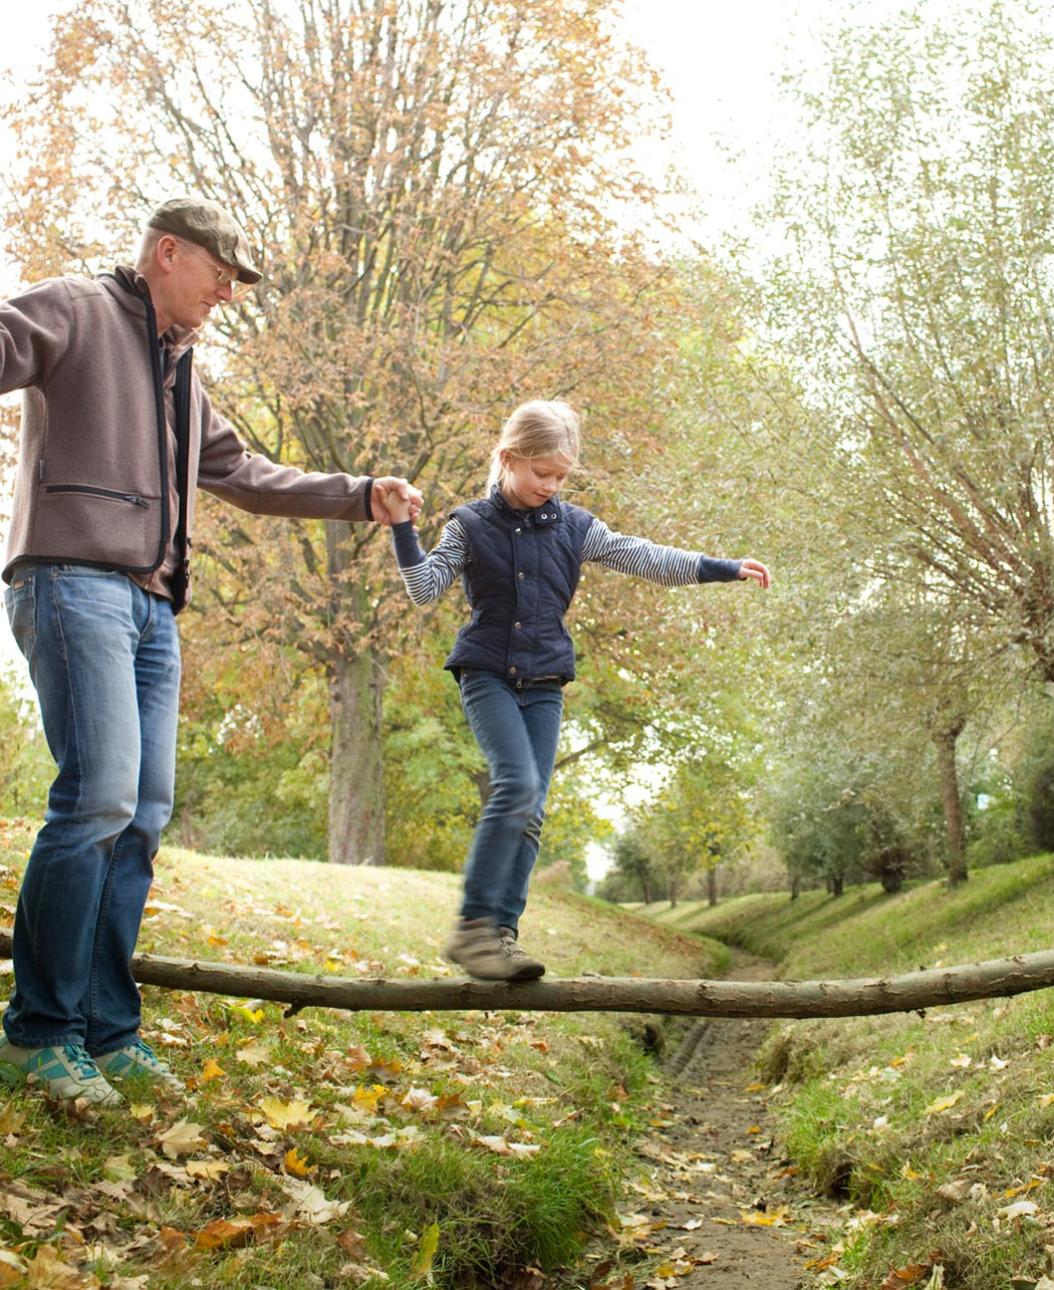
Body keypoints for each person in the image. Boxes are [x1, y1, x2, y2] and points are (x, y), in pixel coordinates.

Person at [0, 197, 422, 1105]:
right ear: (167, 253)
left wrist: (361, 495)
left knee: (142, 817)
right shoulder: (74, 308)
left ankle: (107, 1033)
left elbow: (249, 475)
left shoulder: (183, 376)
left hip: (154, 610)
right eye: (220, 274)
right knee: (97, 798)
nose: (227, 294)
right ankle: (37, 1033)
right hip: (72, 584)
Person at [386, 399, 769, 981]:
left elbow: (644, 557)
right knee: (515, 784)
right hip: (487, 673)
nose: (552, 485)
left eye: (562, 476)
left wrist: (721, 567)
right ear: (509, 459)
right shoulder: (469, 524)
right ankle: (472, 929)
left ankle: (501, 938)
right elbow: (423, 589)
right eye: (543, 473)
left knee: (533, 809)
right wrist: (400, 527)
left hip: (544, 682)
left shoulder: (575, 527)